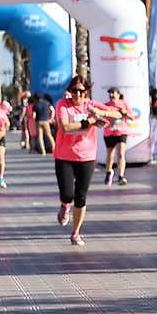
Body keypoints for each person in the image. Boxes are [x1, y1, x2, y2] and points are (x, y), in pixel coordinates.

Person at [52, 78, 117, 246]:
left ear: (86, 92)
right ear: (70, 91)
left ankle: (76, 232)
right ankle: (65, 205)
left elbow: (115, 113)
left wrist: (99, 114)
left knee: (81, 196)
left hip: (87, 156)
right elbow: (65, 127)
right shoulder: (63, 105)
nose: (78, 94)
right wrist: (90, 121)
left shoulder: (90, 105)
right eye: (74, 91)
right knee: (67, 194)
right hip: (64, 155)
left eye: (81, 91)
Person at [102, 87, 140, 186]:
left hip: (121, 131)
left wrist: (125, 112)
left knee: (121, 154)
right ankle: (108, 172)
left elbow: (132, 117)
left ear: (118, 94)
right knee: (110, 155)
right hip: (109, 132)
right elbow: (101, 116)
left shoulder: (124, 104)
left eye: (113, 93)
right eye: (109, 93)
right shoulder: (106, 105)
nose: (111, 95)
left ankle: (121, 176)